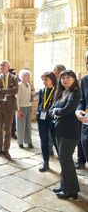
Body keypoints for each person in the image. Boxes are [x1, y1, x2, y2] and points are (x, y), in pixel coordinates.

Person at [50, 70, 80, 200]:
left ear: (74, 79)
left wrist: (56, 111)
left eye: (68, 77)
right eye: (63, 78)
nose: (65, 80)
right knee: (63, 160)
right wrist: (56, 111)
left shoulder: (75, 93)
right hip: (59, 130)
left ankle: (71, 191)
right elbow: (51, 109)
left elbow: (67, 110)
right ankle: (65, 186)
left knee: (66, 159)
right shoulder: (62, 92)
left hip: (70, 132)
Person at [0, 60, 18, 160]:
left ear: (8, 67)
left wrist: (1, 91)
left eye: (3, 65)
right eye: (0, 65)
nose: (1, 67)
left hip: (9, 107)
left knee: (8, 129)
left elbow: (15, 90)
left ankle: (6, 150)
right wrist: (6, 91)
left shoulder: (14, 78)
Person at [36, 72, 57, 172]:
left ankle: (64, 165)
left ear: (52, 80)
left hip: (53, 120)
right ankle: (45, 161)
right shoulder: (41, 91)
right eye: (43, 80)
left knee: (56, 142)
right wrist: (38, 113)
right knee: (43, 141)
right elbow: (39, 104)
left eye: (46, 79)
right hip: (42, 119)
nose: (44, 82)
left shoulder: (57, 91)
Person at [76, 51, 88, 170]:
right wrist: (78, 111)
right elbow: (82, 101)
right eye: (87, 61)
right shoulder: (85, 80)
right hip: (86, 125)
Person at [16, 69, 34, 149]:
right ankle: (20, 142)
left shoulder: (29, 85)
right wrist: (18, 109)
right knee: (21, 125)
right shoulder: (19, 85)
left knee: (28, 125)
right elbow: (17, 97)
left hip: (28, 106)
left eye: (28, 75)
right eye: (26, 75)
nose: (27, 77)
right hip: (21, 107)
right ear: (21, 76)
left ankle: (28, 141)